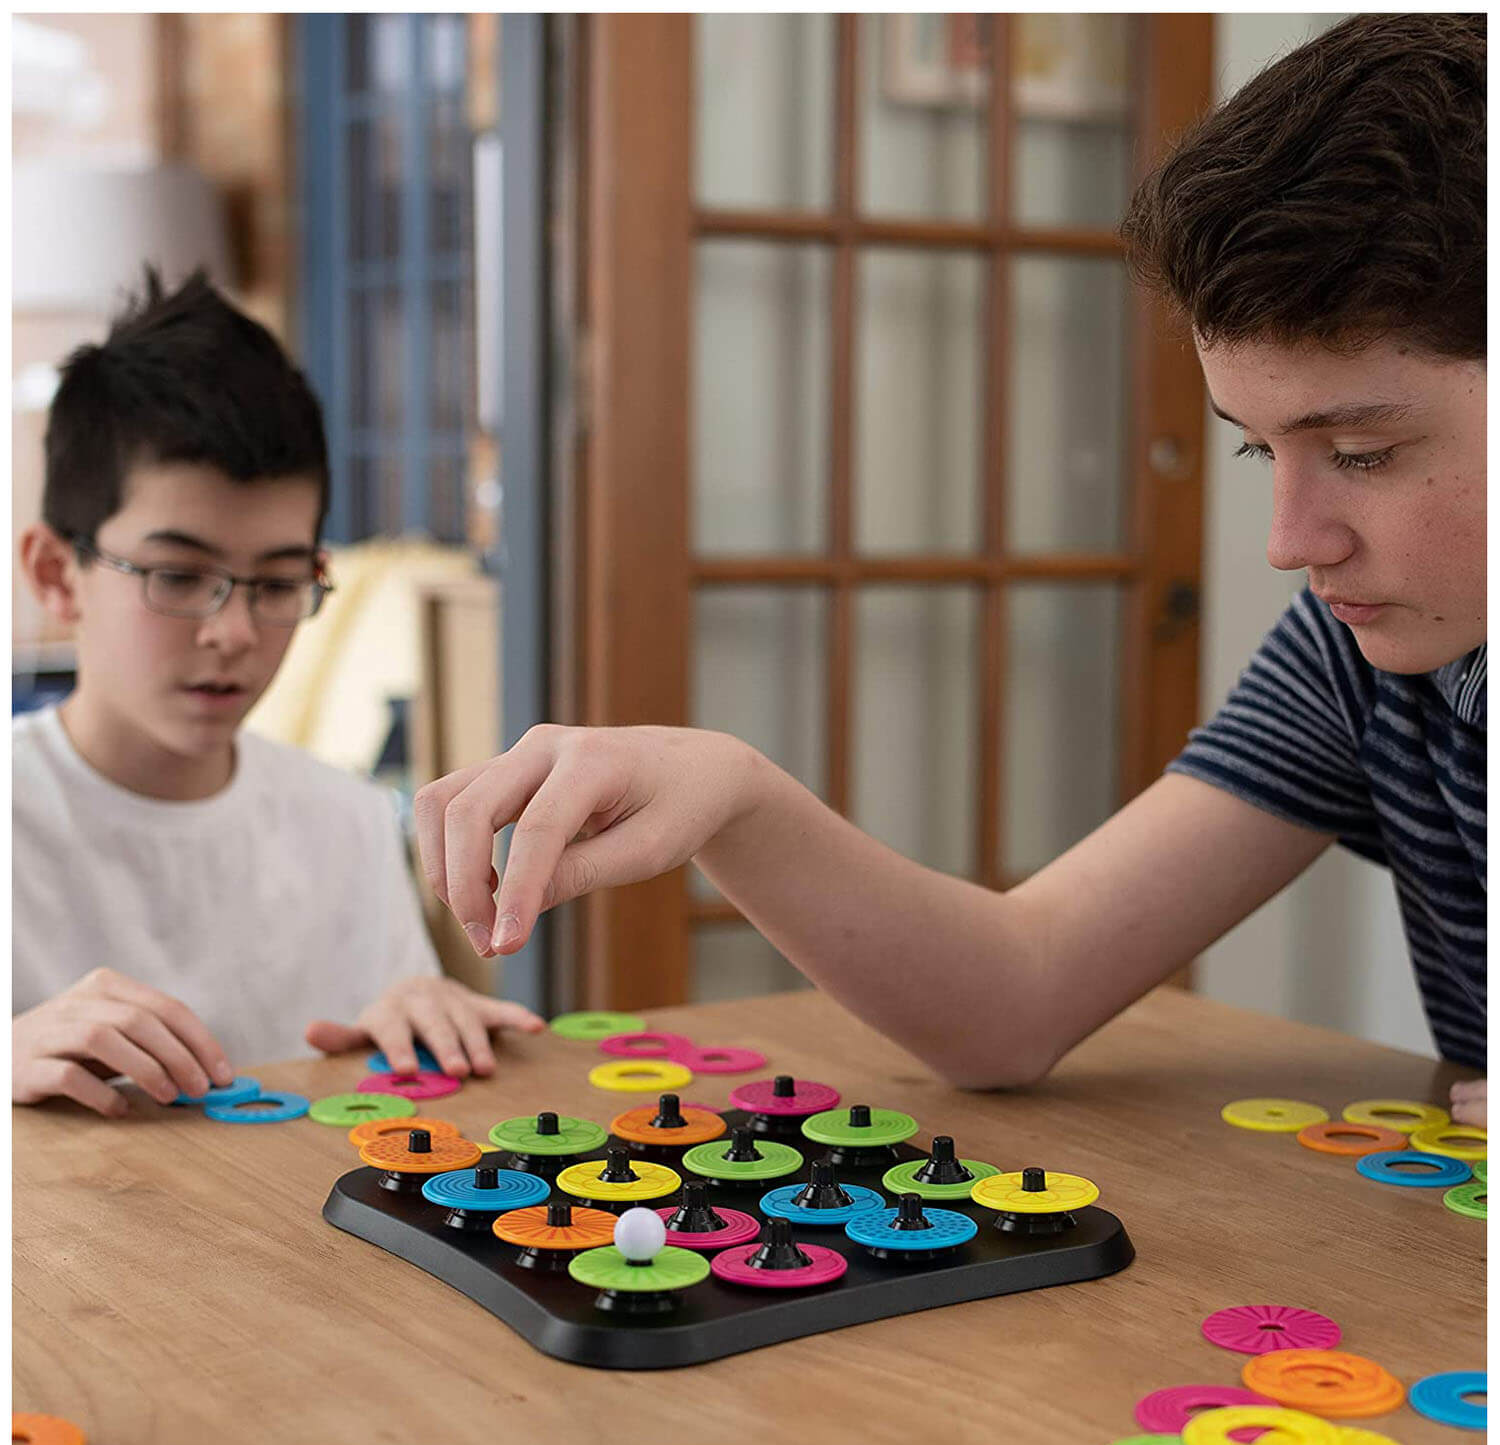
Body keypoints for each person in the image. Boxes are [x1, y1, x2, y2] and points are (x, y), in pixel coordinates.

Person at [415, 15, 1486, 1124]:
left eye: (1363, 454)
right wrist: (731, 794)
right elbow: (1014, 996)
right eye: (1261, 448)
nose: (1290, 540)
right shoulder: (1367, 658)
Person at [12, 270, 541, 1118]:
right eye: (179, 576)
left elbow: (384, 1078)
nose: (232, 632)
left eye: (277, 582)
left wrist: (417, 1020)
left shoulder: (348, 820)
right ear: (55, 573)